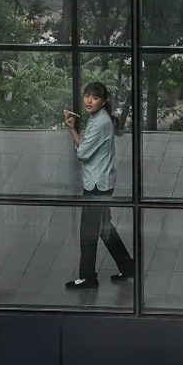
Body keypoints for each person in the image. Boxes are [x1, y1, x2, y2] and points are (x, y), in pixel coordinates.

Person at [63, 82, 134, 290]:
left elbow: (82, 153)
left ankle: (88, 277)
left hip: (96, 185)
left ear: (104, 101)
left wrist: (74, 131)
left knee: (88, 231)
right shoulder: (99, 119)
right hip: (102, 182)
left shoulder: (100, 122)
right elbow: (84, 149)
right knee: (104, 228)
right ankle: (127, 265)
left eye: (94, 97)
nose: (88, 100)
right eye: (86, 96)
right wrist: (73, 129)